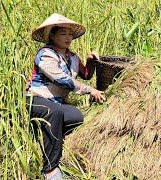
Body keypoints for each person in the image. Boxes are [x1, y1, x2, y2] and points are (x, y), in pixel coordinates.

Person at [26, 13, 106, 179]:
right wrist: (90, 90)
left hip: (57, 102)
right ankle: (50, 169)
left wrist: (91, 61)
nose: (68, 37)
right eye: (63, 33)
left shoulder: (72, 57)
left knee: (77, 116)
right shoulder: (46, 54)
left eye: (70, 34)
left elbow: (85, 74)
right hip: (37, 98)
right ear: (52, 35)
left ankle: (54, 138)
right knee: (54, 113)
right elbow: (63, 80)